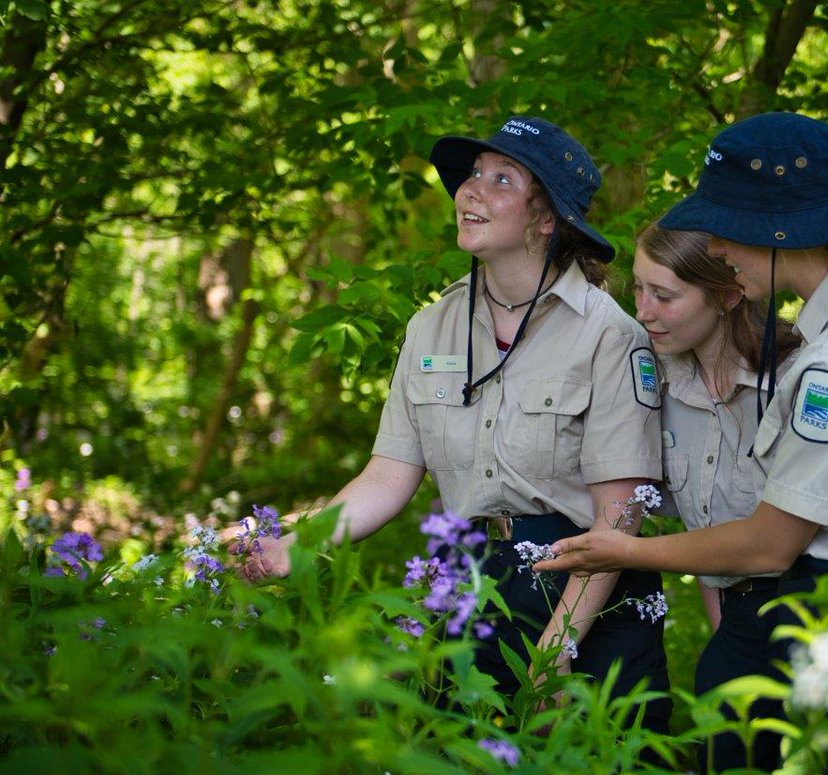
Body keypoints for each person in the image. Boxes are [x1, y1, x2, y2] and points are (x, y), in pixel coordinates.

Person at [536, 112, 828, 768]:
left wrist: (626, 551)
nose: (719, 250)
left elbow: (770, 542)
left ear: (777, 230)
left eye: (728, 231)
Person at [235, 115, 671, 732]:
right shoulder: (430, 328)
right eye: (471, 176)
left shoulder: (609, 335)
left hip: (588, 599)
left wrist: (558, 648)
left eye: (501, 180)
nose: (470, 190)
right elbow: (388, 476)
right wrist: (296, 544)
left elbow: (618, 518)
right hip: (474, 584)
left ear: (547, 219)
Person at [633, 222, 802, 773]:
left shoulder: (798, 376)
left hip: (817, 612)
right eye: (637, 288)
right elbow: (712, 545)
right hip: (740, 622)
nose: (643, 311)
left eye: (663, 295)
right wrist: (725, 640)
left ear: (728, 297)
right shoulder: (660, 386)